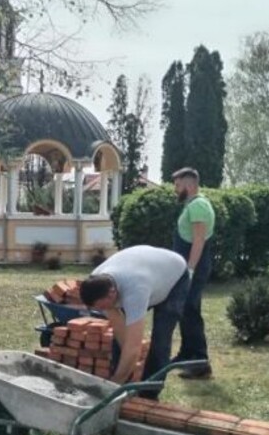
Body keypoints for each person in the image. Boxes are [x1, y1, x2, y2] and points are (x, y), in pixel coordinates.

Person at [78, 245, 190, 399]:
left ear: (112, 294)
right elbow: (120, 330)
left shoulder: (135, 291)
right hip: (148, 271)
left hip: (174, 277)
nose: (102, 310)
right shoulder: (97, 281)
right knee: (122, 345)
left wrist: (115, 384)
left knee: (160, 339)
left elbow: (133, 347)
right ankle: (124, 385)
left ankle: (148, 395)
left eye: (102, 307)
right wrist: (129, 368)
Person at [170, 167, 215, 379]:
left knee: (191, 310)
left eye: (177, 185)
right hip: (187, 266)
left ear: (188, 185)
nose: (175, 190)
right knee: (185, 310)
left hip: (193, 267)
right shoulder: (193, 205)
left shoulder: (198, 206)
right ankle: (186, 354)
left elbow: (198, 240)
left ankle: (200, 362)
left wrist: (190, 269)